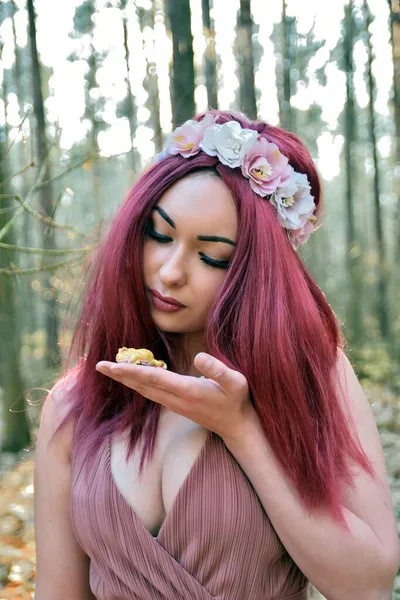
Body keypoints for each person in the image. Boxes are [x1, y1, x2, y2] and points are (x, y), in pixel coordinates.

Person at [34, 110, 399, 600]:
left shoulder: (314, 373)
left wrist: (242, 430)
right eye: (159, 235)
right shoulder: (75, 403)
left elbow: (369, 586)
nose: (170, 272)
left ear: (254, 271)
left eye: (213, 257)